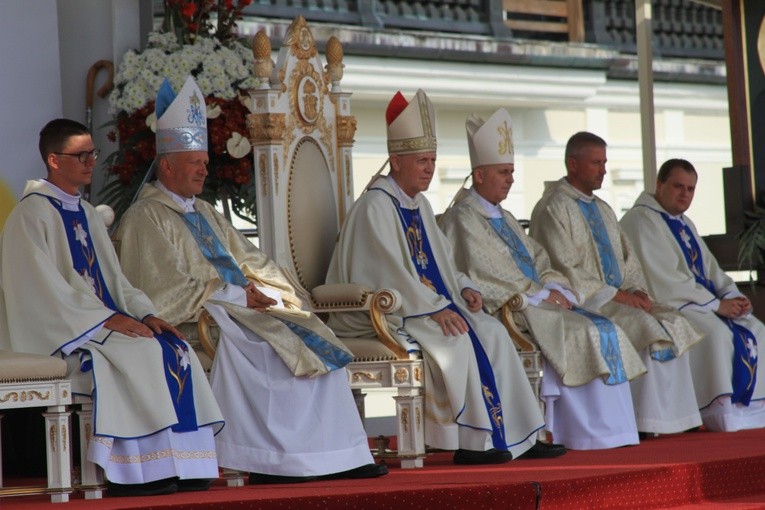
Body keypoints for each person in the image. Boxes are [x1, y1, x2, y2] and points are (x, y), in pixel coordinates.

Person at [114, 76, 386, 483]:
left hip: (239, 309)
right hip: (206, 317)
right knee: (272, 350)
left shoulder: (203, 212)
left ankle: (337, 454)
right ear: (166, 165)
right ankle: (274, 461)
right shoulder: (144, 217)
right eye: (196, 163)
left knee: (314, 340)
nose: (205, 169)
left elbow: (251, 258)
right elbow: (159, 288)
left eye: (206, 162)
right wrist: (237, 296)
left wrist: (279, 292)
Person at [326, 90, 565, 463]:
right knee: (457, 341)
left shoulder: (418, 203)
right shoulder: (375, 204)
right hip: (387, 312)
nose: (429, 169)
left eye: (433, 160)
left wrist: (464, 287)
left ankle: (521, 436)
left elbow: (441, 262)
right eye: (421, 160)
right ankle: (472, 443)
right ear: (395, 161)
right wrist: (435, 308)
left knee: (494, 332)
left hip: (427, 304)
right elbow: (387, 273)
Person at [0, 118, 224, 497]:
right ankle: (138, 472)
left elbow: (116, 281)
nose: (90, 161)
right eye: (81, 154)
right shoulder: (30, 215)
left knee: (172, 345)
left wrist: (146, 313)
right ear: (54, 160)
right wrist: (106, 322)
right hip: (64, 333)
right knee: (138, 352)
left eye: (93, 153)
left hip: (99, 323)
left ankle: (186, 465)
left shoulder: (86, 212)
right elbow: (39, 292)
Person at [439, 109, 646, 450]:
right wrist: (538, 295)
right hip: (511, 306)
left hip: (538, 300)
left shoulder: (502, 215)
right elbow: (486, 272)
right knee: (586, 331)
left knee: (603, 327)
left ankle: (612, 430)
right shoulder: (464, 218)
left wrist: (553, 286)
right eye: (504, 172)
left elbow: (537, 257)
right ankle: (580, 432)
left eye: (512, 172)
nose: (511, 180)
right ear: (479, 175)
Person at [529, 132, 704, 436]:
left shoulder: (604, 208)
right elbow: (562, 266)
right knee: (646, 327)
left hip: (621, 296)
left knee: (673, 320)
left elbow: (628, 259)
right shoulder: (553, 208)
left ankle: (678, 418)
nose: (603, 169)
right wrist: (617, 295)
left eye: (604, 162)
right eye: (596, 162)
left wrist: (636, 290)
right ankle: (646, 421)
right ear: (573, 163)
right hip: (590, 301)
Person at [621, 158, 765, 431]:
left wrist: (733, 295)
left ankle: (747, 412)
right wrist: (716, 305)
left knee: (756, 328)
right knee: (717, 334)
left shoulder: (683, 222)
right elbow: (665, 280)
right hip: (668, 305)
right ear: (659, 185)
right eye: (678, 186)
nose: (685, 194)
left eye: (691, 189)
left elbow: (710, 268)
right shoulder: (641, 221)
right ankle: (716, 412)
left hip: (701, 302)